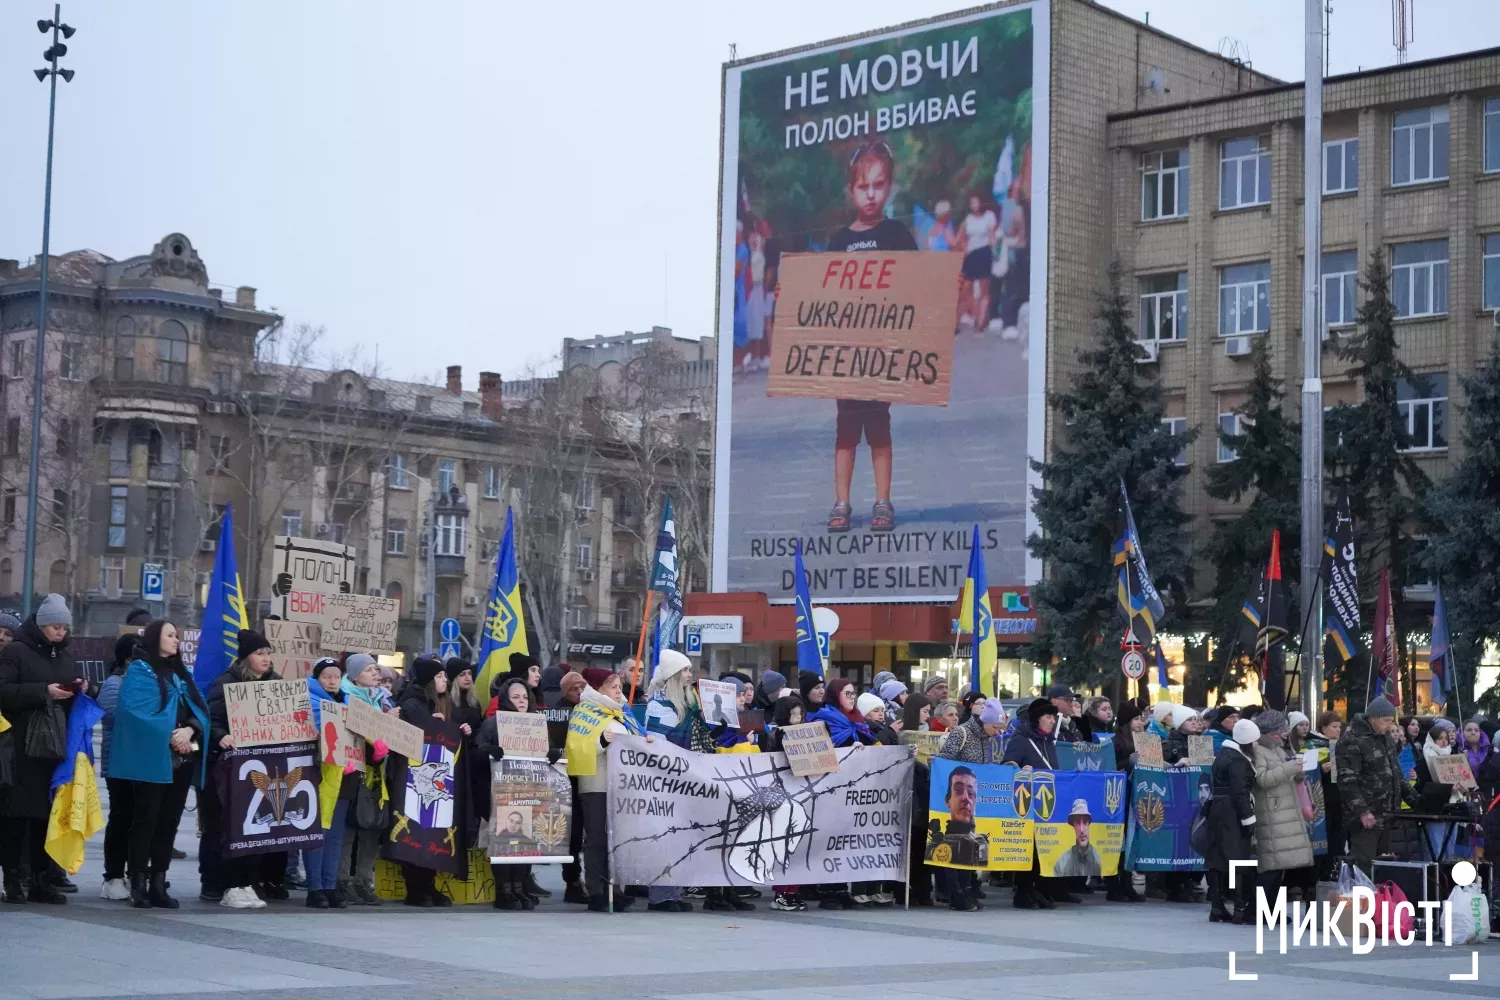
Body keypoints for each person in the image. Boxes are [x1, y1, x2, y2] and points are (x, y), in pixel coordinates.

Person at [825, 140, 916, 535]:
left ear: (889, 187)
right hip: (846, 356)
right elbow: (819, 294)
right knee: (845, 430)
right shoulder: (838, 241)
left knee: (879, 427)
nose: (871, 194)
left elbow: (921, 283)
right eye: (863, 186)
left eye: (879, 185)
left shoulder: (897, 233)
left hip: (881, 354)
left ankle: (883, 500)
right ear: (850, 190)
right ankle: (841, 502)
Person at [108, 618, 214, 909]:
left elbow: (199, 707)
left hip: (182, 756)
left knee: (169, 822)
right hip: (151, 758)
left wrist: (190, 729)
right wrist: (171, 734)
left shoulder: (182, 672)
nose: (176, 640)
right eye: (170, 635)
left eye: (177, 635)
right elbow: (134, 713)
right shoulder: (140, 672)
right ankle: (138, 884)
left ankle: (159, 883)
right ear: (156, 639)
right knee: (145, 821)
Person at [0, 595, 82, 904]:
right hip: (21, 746)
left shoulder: (65, 657)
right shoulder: (15, 652)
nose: (60, 632)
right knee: (16, 816)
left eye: (64, 627)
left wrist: (80, 690)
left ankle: (39, 879)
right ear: (42, 625)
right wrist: (41, 692)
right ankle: (11, 877)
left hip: (54, 747)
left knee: (45, 817)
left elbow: (68, 697)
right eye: (55, 627)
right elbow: (3, 691)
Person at [200, 629, 284, 908]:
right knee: (223, 826)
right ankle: (218, 883)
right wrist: (220, 735)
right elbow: (210, 718)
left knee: (256, 825)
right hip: (228, 767)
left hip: (264, 766)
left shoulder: (277, 684)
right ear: (246, 657)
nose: (266, 658)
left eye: (268, 653)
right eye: (260, 653)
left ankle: (248, 882)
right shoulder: (225, 682)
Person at [477, 673, 562, 911]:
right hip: (503, 792)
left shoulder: (537, 723)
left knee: (526, 840)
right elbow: (477, 752)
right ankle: (503, 890)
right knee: (507, 840)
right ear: (505, 699)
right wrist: (489, 751)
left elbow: (549, 751)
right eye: (515, 697)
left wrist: (552, 754)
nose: (521, 700)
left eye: (525, 696)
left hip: (531, 791)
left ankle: (519, 887)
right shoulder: (493, 723)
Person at [566, 668, 644, 913]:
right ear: (598, 689)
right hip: (596, 784)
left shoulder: (621, 712)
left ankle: (614, 889)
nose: (618, 691)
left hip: (620, 785)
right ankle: (597, 890)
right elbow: (575, 746)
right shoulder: (585, 710)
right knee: (597, 837)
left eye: (620, 686)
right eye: (613, 686)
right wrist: (601, 741)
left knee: (615, 839)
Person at [932, 698, 1007, 911]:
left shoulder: (987, 738)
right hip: (955, 800)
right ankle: (954, 893)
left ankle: (966, 890)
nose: (998, 733)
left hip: (972, 801)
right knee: (954, 846)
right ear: (986, 723)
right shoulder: (962, 733)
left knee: (970, 847)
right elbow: (944, 762)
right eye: (996, 728)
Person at [396, 657, 457, 908]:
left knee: (431, 828)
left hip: (430, 780)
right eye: (441, 676)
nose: (445, 680)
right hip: (412, 778)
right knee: (415, 829)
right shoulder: (411, 703)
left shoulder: (427, 701)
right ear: (430, 680)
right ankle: (414, 887)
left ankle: (428, 883)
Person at [1336, 697, 1417, 876]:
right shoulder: (1352, 740)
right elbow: (1348, 781)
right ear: (1372, 718)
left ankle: (1380, 902)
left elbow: (1396, 774)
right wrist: (1363, 812)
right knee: (1362, 867)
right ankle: (1359, 902)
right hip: (1366, 817)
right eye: (1386, 721)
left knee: (1383, 867)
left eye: (1391, 721)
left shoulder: (1385, 738)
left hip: (1387, 814)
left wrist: (1417, 801)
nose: (1390, 725)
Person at [336, 653, 392, 906]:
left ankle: (364, 881)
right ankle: (342, 881)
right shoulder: (345, 697)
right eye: (370, 670)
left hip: (376, 774)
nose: (376, 674)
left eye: (376, 670)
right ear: (355, 674)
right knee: (349, 830)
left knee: (371, 828)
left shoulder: (380, 699)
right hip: (352, 771)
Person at [1246, 710, 1314, 905]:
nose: (1285, 733)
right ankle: (1261, 909)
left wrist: (1297, 774)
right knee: (1270, 865)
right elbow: (1262, 779)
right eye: (1281, 730)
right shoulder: (1259, 750)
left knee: (1280, 865)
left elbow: (1282, 773)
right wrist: (1290, 768)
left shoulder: (1277, 748)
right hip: (1271, 812)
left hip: (1283, 812)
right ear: (1268, 732)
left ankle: (1272, 909)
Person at [1002, 698, 1061, 910]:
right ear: (1037, 719)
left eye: (1054, 717)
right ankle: (1023, 891)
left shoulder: (1047, 741)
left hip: (1045, 801)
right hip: (1026, 803)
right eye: (1048, 716)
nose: (1053, 721)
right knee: (1030, 849)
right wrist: (1019, 770)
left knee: (1042, 849)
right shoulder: (1021, 739)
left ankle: (1037, 889)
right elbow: (1007, 765)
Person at [302, 658, 351, 909]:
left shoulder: (349, 702)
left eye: (336, 676)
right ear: (317, 678)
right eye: (326, 676)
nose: (332, 681)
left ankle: (330, 886)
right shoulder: (306, 700)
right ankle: (315, 888)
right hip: (316, 775)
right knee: (316, 833)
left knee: (334, 836)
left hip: (344, 776)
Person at [96, 632, 140, 901]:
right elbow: (116, 715)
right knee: (121, 818)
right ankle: (112, 875)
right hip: (119, 763)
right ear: (126, 660)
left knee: (138, 819)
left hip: (141, 762)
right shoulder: (114, 684)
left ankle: (134, 872)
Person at [1206, 719, 1261, 924]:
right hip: (1232, 813)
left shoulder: (1223, 754)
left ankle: (1217, 907)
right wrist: (1249, 820)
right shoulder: (1239, 760)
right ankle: (1240, 908)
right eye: (1255, 741)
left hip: (1217, 810)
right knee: (1238, 860)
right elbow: (1240, 794)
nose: (1256, 745)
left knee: (1218, 860)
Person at [1105, 701, 1146, 903]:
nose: (1141, 723)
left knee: (1131, 841)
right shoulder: (1115, 742)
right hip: (1121, 796)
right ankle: (1114, 885)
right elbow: (1111, 767)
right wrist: (1130, 760)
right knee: (1118, 842)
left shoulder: (1145, 741)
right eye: (1137, 719)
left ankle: (1127, 882)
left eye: (1141, 718)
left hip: (1138, 797)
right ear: (1126, 722)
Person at [1305, 710, 1344, 879]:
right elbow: (1304, 773)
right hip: (1320, 801)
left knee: (1337, 840)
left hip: (1338, 800)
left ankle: (1333, 871)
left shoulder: (1338, 745)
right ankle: (1317, 876)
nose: (1338, 730)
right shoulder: (1312, 745)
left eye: (1340, 727)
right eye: (1334, 727)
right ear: (1323, 727)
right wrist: (1321, 770)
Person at [957, 193, 997, 330]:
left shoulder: (989, 216)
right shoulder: (968, 219)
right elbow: (962, 237)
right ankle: (975, 313)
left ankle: (981, 321)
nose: (974, 205)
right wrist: (964, 249)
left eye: (976, 202)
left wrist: (995, 252)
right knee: (966, 286)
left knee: (984, 288)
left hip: (984, 252)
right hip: (971, 254)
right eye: (972, 203)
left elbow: (992, 236)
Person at [1414, 717, 1466, 807]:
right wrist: (1447, 788)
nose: (1444, 741)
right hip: (1432, 805)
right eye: (1440, 738)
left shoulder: (1452, 755)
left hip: (1453, 805)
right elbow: (1422, 785)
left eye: (1446, 738)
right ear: (1432, 740)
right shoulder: (1424, 760)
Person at [1053, 800, 1104, 877]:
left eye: (1085, 822)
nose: (1081, 830)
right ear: (1073, 826)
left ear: (1089, 824)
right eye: (1077, 822)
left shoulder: (1098, 859)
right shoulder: (1061, 864)